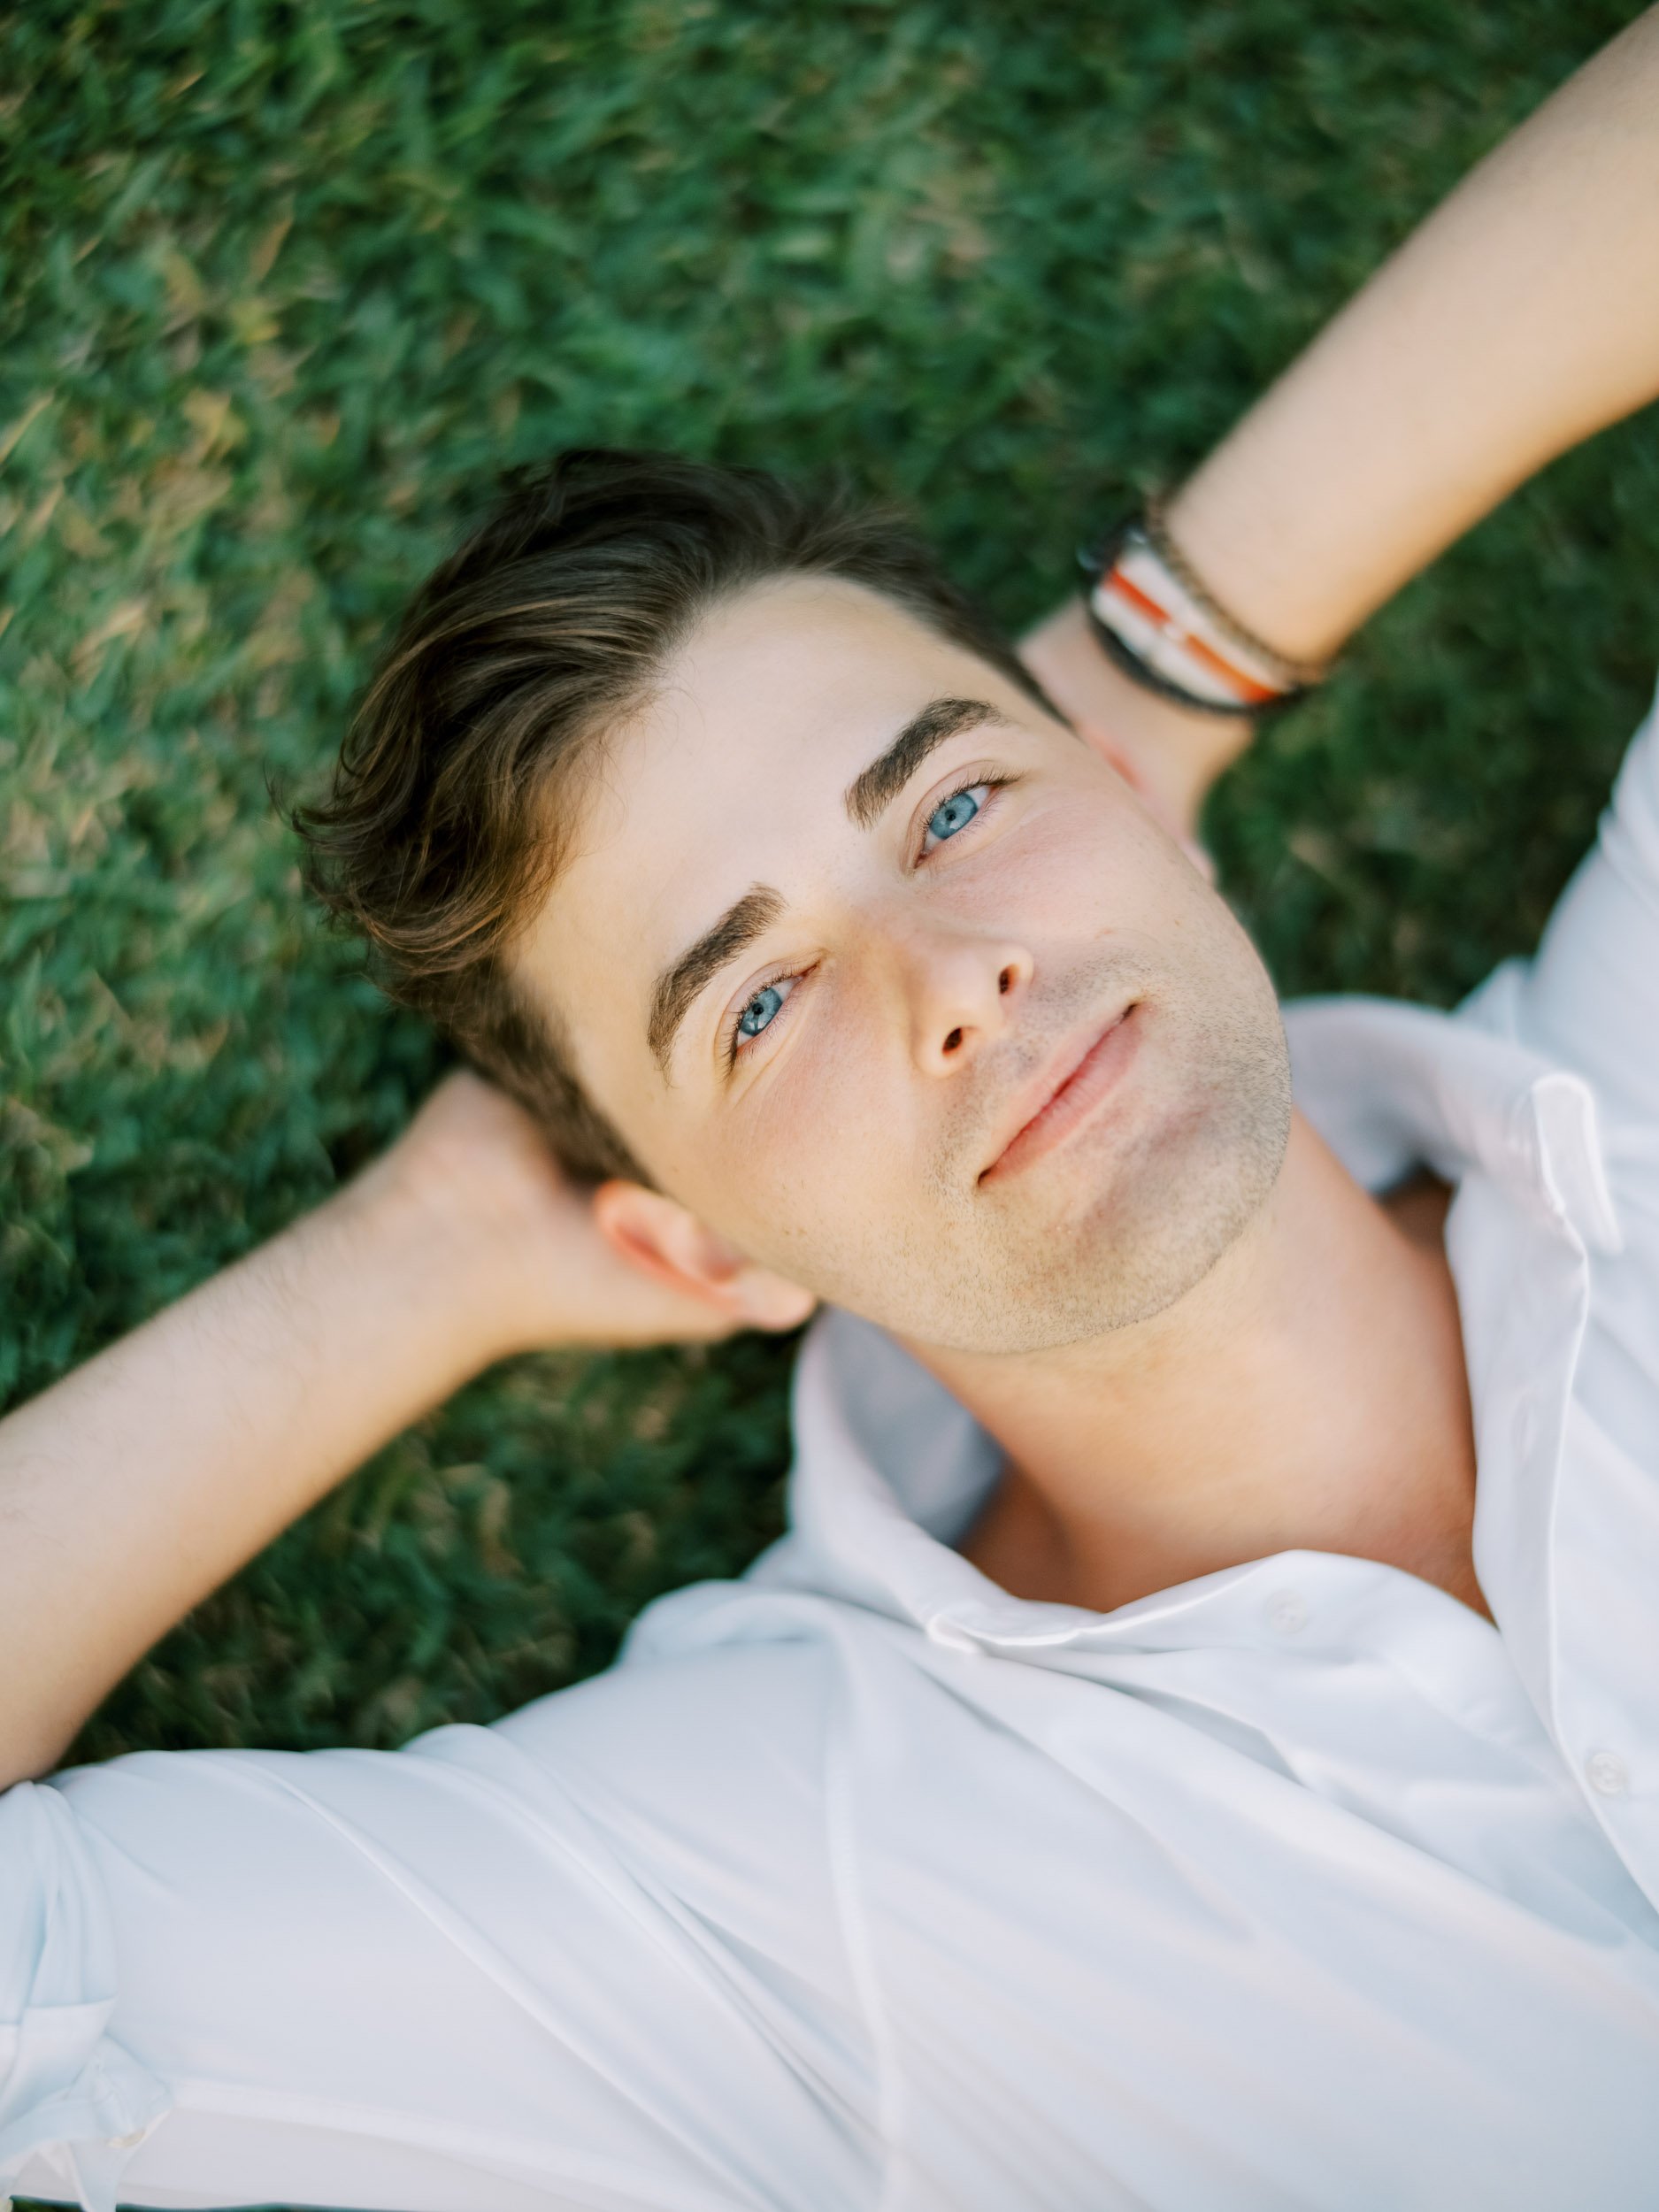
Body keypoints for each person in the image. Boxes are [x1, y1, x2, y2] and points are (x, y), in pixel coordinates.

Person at [4, 11, 1659, 2209]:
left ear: (1142, 814)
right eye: (761, 998)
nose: (950, 974)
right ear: (696, 1243)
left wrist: (1182, 642)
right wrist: (417, 1263)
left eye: (956, 795)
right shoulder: (777, 1868)